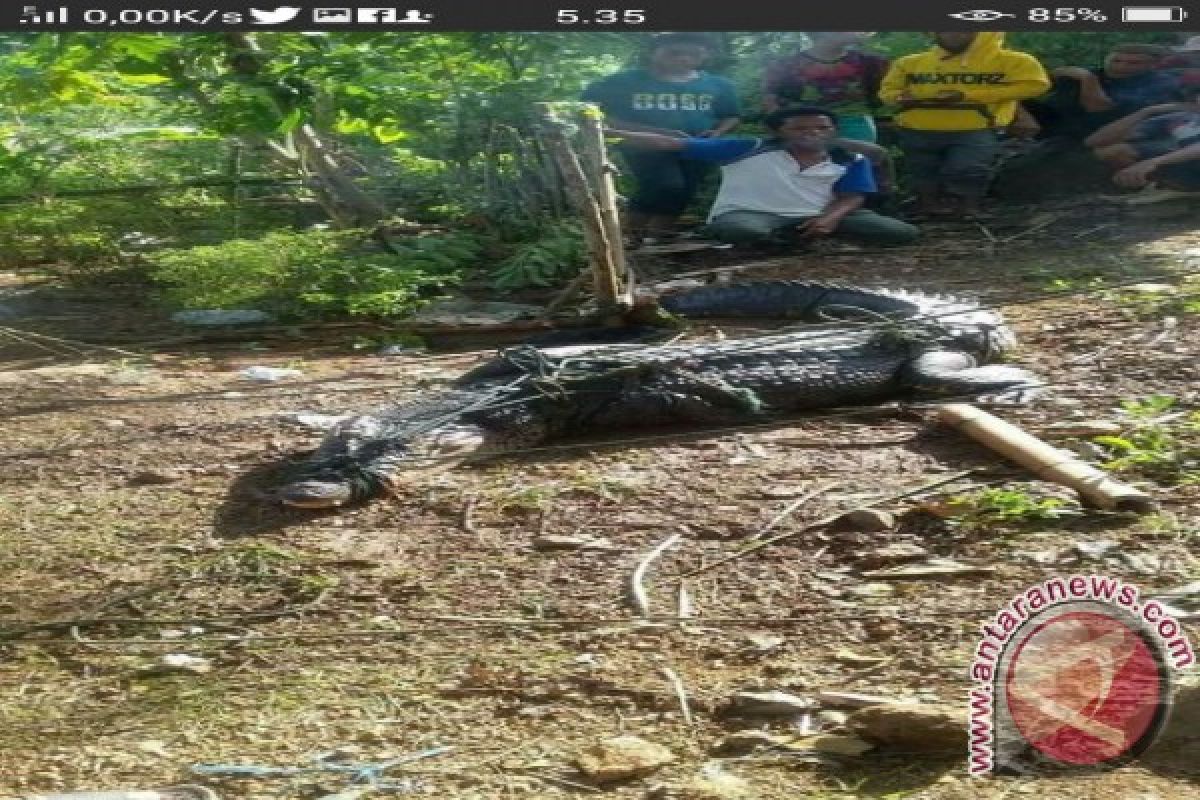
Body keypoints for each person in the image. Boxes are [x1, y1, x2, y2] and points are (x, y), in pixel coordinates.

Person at [608, 107, 919, 247]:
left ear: (833, 131)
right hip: (752, 214)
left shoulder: (849, 157)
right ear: (778, 132)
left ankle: (816, 235)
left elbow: (853, 197)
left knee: (901, 233)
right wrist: (605, 131)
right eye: (799, 128)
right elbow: (672, 143)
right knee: (741, 231)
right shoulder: (748, 147)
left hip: (817, 213)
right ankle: (797, 241)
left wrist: (831, 218)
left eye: (821, 128)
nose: (812, 133)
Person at [581, 33, 740, 244]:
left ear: (705, 56)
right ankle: (631, 235)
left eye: (693, 53)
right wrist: (656, 132)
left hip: (696, 146)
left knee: (686, 189)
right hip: (643, 146)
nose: (683, 58)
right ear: (653, 53)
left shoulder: (719, 85)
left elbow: (731, 115)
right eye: (674, 53)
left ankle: (660, 236)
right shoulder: (624, 81)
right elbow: (597, 115)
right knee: (665, 185)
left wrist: (718, 132)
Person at [879, 32, 1050, 218]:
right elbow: (887, 91)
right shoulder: (910, 62)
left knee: (970, 168)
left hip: (976, 126)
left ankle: (969, 208)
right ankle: (928, 206)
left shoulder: (1012, 61)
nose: (952, 36)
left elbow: (1036, 85)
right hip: (917, 127)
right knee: (922, 168)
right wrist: (900, 97)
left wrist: (968, 95)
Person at [1024, 44, 1181, 140]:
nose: (1122, 66)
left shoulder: (1160, 82)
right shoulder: (1096, 73)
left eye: (1133, 63)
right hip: (1054, 123)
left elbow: (1099, 109)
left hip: (1104, 131)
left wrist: (1087, 80)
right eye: (1116, 61)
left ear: (1153, 65)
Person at [763, 32, 889, 143]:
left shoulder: (870, 62)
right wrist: (778, 129)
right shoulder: (785, 65)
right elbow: (771, 99)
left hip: (855, 126)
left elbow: (884, 98)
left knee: (854, 165)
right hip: (803, 127)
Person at [1084, 81, 1200, 202]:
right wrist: (1146, 112)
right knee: (1110, 151)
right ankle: (1171, 188)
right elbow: (1093, 141)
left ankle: (1184, 192)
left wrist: (1155, 161)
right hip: (1185, 162)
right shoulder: (1179, 118)